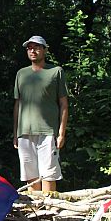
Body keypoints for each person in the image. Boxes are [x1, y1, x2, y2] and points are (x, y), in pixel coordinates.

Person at [13, 35, 69, 192]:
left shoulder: (56, 71)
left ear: (44, 50)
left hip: (48, 132)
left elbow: (64, 104)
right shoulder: (21, 74)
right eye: (30, 48)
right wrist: (15, 133)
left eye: (37, 47)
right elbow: (17, 104)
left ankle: (50, 211)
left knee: (49, 175)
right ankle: (36, 214)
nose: (33, 50)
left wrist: (61, 134)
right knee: (30, 177)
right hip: (24, 132)